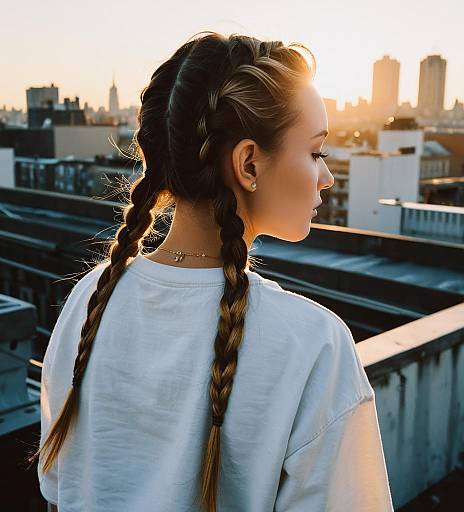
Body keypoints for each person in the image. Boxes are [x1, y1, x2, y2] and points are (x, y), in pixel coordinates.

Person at [28, 31, 394, 511]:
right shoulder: (314, 345)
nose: (327, 176)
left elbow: (59, 492)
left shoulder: (89, 300)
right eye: (316, 152)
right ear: (248, 164)